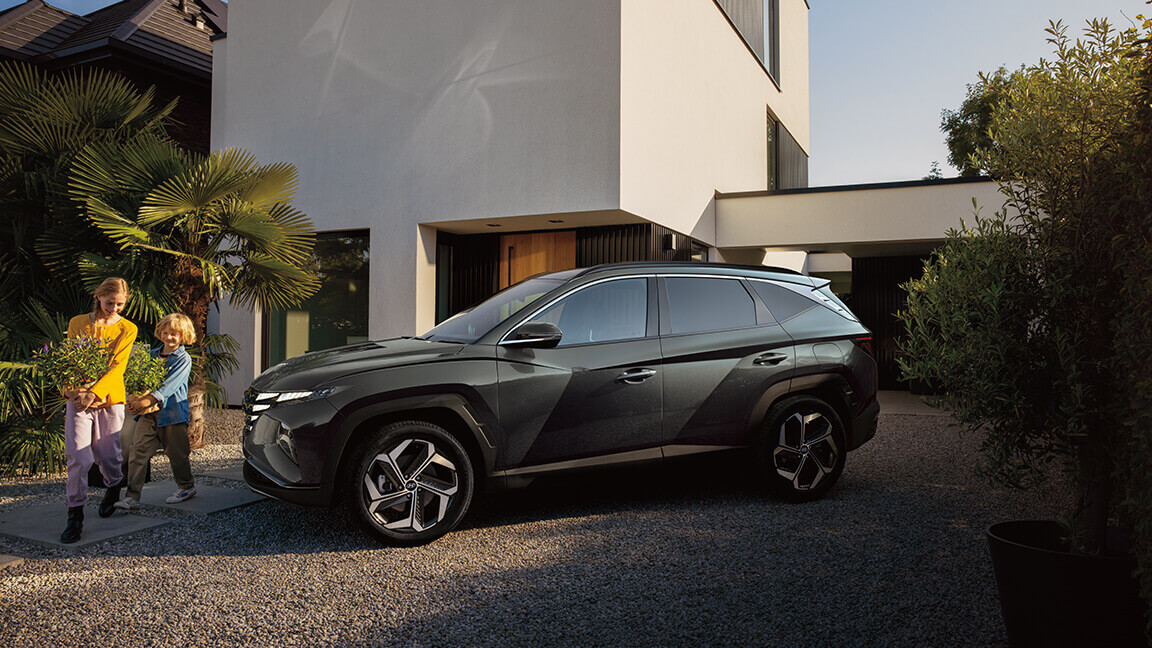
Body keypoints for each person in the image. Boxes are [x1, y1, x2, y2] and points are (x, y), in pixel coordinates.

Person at [60, 277, 137, 544]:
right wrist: (71, 391)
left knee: (109, 456)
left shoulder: (128, 329)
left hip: (108, 398)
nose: (114, 308)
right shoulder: (77, 323)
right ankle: (75, 515)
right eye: (109, 303)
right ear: (98, 296)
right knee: (79, 457)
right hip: (78, 400)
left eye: (119, 304)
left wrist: (94, 392)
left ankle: (114, 485)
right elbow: (69, 360)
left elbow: (118, 367)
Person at [115, 313, 197, 511]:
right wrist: (135, 399)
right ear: (160, 332)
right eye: (166, 333)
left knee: (177, 454)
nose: (169, 337)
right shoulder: (151, 355)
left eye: (174, 334)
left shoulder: (183, 359)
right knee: (138, 451)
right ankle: (132, 496)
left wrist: (146, 400)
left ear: (184, 336)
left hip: (172, 414)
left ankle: (186, 487)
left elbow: (169, 386)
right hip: (147, 414)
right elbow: (138, 379)